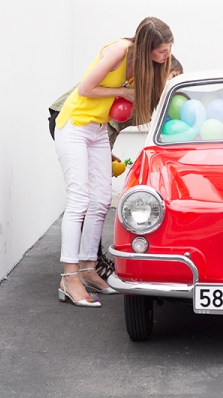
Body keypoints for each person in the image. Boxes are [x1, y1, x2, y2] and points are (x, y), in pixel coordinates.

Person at [54, 16, 174, 306]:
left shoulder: (147, 65)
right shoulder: (119, 51)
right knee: (80, 199)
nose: (166, 56)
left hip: (97, 130)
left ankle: (87, 270)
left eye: (169, 49)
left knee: (101, 200)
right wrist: (122, 91)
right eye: (161, 51)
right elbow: (85, 89)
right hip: (75, 126)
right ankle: (69, 277)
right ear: (147, 46)